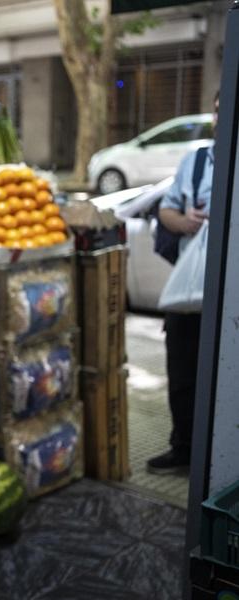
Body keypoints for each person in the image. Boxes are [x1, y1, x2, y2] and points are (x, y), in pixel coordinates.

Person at [147, 91, 219, 474]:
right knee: (182, 371)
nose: (221, 118)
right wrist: (186, 221)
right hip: (191, 290)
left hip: (229, 295)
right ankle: (184, 448)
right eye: (217, 110)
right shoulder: (196, 161)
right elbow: (166, 211)